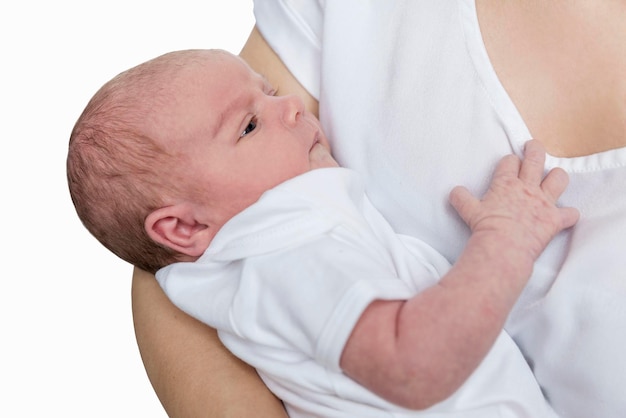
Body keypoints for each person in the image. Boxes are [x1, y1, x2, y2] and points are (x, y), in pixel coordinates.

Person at [130, 2, 626, 417]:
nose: (292, 108)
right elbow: (417, 366)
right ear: (181, 227)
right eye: (250, 127)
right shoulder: (290, 259)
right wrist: (505, 241)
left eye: (272, 91)